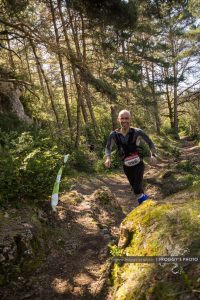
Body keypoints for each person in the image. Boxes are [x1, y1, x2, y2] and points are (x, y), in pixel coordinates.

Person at [104, 109, 157, 205]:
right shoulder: (114, 135)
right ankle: (146, 205)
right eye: (122, 118)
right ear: (118, 119)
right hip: (126, 166)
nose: (124, 120)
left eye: (126, 118)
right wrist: (108, 158)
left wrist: (153, 155)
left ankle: (148, 205)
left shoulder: (138, 132)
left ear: (130, 119)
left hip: (138, 164)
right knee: (137, 190)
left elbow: (150, 143)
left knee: (137, 189)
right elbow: (108, 148)